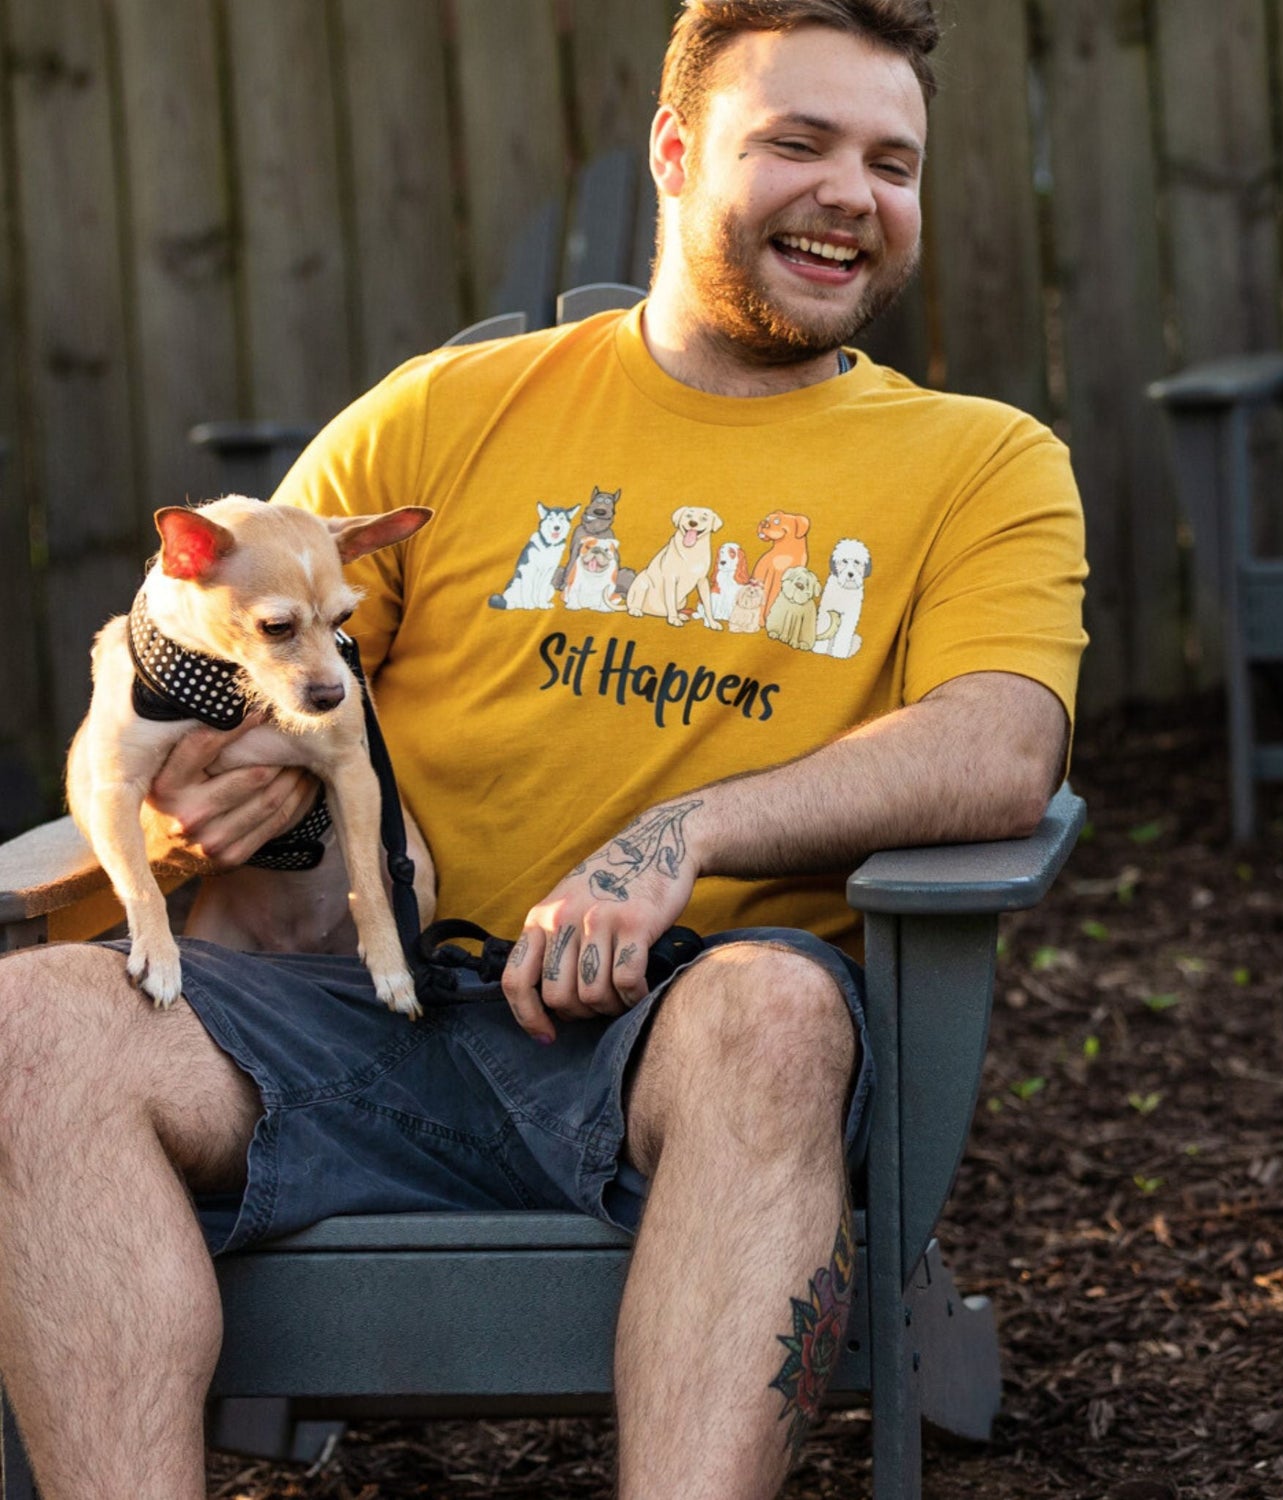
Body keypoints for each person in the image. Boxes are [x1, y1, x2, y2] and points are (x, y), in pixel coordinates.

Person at [0, 1, 1086, 1495]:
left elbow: (999, 746)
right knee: (29, 1025)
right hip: (360, 1016)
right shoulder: (450, 416)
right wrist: (196, 787)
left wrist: (681, 836)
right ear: (674, 147)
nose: (854, 192)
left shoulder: (981, 465)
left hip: (674, 1044)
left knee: (774, 1013)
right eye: (799, 141)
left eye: (893, 161)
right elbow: (201, 648)